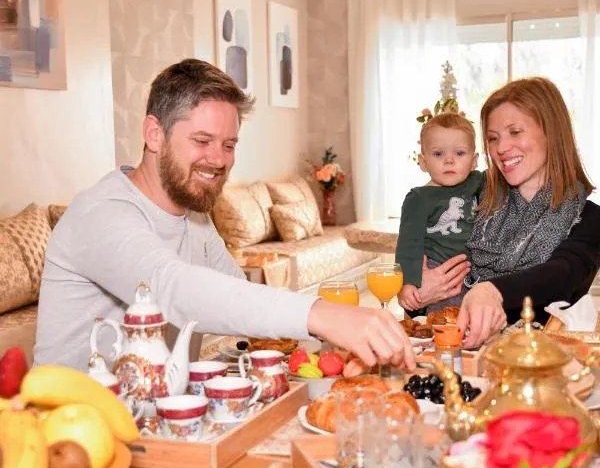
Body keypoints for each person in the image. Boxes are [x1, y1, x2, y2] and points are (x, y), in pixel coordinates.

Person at [34, 59, 414, 373]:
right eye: (202, 141)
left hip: (160, 419)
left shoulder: (195, 217)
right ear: (154, 134)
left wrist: (325, 345)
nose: (218, 160)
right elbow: (174, 290)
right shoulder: (101, 214)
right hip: (73, 435)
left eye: (228, 145)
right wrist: (323, 315)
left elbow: (240, 296)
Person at [413, 77, 600, 347]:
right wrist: (420, 292)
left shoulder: (589, 218)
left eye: (515, 132)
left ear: (551, 132)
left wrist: (492, 290)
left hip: (539, 372)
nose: (500, 148)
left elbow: (562, 275)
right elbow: (421, 307)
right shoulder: (471, 202)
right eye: (493, 138)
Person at [396, 112, 483, 313]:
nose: (449, 161)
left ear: (474, 160)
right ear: (423, 162)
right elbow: (409, 244)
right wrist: (408, 282)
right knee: (445, 323)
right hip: (438, 269)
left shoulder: (476, 182)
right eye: (438, 154)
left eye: (459, 153)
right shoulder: (419, 198)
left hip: (474, 272)